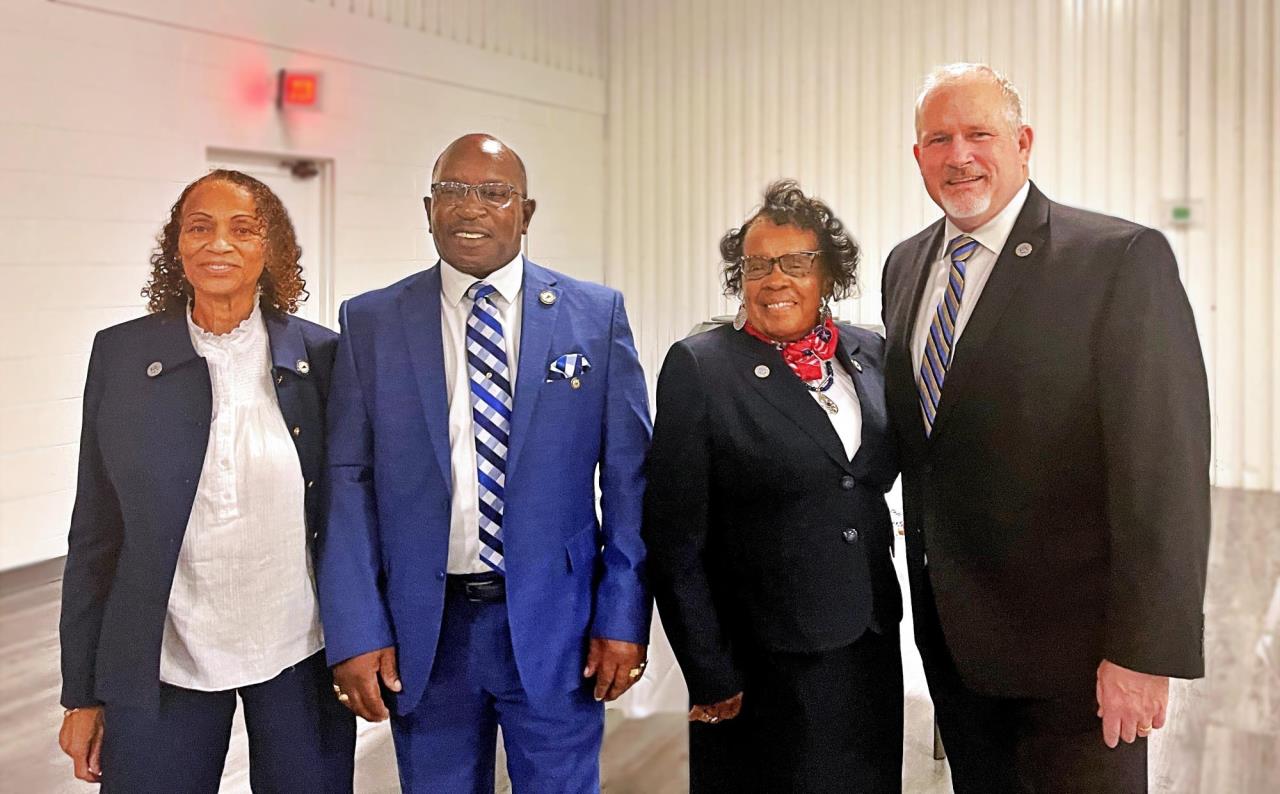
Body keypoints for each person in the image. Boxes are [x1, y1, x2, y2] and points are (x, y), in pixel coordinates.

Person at [880, 63, 1211, 792]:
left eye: (979, 134)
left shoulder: (1116, 261)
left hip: (1079, 665)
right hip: (957, 652)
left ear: (1023, 142)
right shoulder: (906, 267)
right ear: (918, 157)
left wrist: (1143, 651)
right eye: (939, 139)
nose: (959, 155)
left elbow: (1164, 471)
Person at [317, 133, 652, 793]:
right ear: (427, 207)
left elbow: (629, 482)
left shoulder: (594, 316)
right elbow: (345, 484)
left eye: (494, 193)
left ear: (524, 213)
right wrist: (355, 627)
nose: (470, 208)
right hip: (426, 631)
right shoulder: (371, 322)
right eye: (453, 191)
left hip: (560, 626)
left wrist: (622, 616)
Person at [57, 169, 354, 792]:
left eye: (242, 230)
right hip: (166, 651)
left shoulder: (323, 358)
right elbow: (95, 533)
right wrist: (82, 691)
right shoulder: (121, 356)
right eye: (200, 227)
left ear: (269, 250)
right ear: (178, 247)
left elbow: (355, 514)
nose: (219, 244)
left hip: (298, 645)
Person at [644, 180, 903, 792]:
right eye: (757, 265)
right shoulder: (702, 367)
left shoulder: (868, 353)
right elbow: (675, 537)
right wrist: (708, 670)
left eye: (796, 263)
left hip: (868, 638)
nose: (774, 279)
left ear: (829, 276)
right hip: (766, 657)